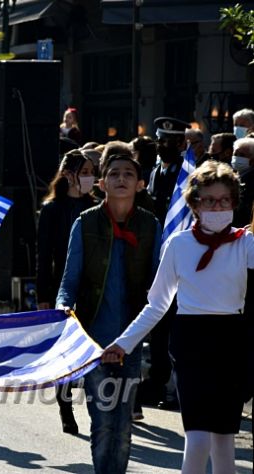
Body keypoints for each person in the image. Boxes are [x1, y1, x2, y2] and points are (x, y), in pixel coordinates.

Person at [102, 160, 251, 474]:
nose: (218, 206)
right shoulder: (179, 244)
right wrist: (123, 344)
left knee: (225, 441)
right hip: (191, 341)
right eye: (209, 200)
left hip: (233, 342)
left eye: (225, 200)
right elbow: (157, 305)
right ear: (195, 204)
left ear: (235, 203)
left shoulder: (246, 244)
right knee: (197, 439)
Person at [56, 154, 161, 474]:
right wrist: (64, 308)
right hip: (93, 339)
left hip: (130, 340)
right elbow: (69, 280)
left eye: (129, 174)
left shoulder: (150, 224)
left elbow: (159, 283)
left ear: (140, 184)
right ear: (101, 184)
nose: (121, 178)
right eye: (113, 173)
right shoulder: (84, 223)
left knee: (124, 424)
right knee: (102, 421)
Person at [36, 149, 96, 435]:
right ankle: (65, 404)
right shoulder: (52, 209)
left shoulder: (96, 206)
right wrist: (43, 296)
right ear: (69, 174)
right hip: (64, 287)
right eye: (84, 172)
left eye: (91, 172)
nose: (89, 178)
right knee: (67, 350)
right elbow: (43, 256)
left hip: (94, 287)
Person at [143, 116, 190, 409]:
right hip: (156, 255)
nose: (165, 146)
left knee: (175, 325)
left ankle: (175, 387)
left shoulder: (186, 174)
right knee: (157, 324)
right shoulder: (154, 172)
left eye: (171, 142)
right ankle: (157, 381)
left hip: (180, 258)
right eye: (161, 140)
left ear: (182, 143)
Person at [231, 137, 254, 228]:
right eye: (235, 153)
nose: (237, 157)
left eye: (242, 155)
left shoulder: (251, 181)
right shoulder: (233, 176)